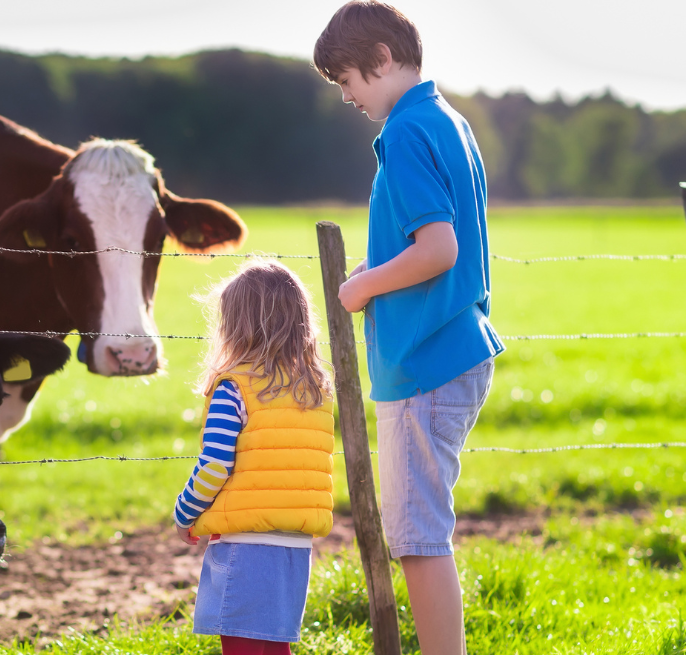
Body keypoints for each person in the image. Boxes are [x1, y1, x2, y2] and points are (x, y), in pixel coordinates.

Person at [313, 3, 504, 654]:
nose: (344, 97)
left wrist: (361, 285)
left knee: (418, 539)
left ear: (382, 59)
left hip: (425, 356)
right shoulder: (445, 119)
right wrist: (375, 265)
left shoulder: (403, 132)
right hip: (452, 344)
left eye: (347, 81)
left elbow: (438, 249)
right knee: (420, 532)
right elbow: (426, 239)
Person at [172, 259, 335, 655]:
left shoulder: (235, 388)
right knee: (276, 648)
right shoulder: (313, 392)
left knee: (242, 648)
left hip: (245, 547)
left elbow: (215, 464)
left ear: (233, 327)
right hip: (295, 548)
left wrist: (184, 513)